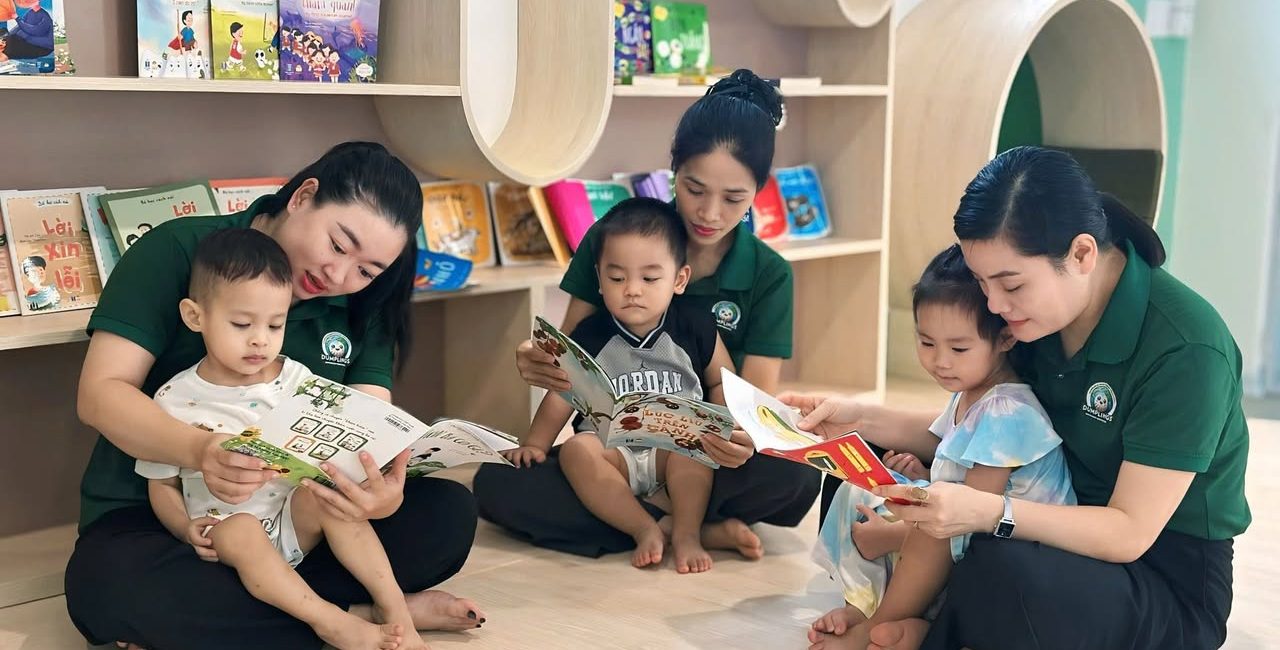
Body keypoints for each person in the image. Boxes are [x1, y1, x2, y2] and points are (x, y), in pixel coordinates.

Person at [784, 146, 1250, 650]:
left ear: (1081, 255)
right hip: (1044, 504)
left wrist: (989, 513)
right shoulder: (1033, 316)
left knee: (1003, 567)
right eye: (981, 282)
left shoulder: (1187, 349)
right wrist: (857, 419)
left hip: (1157, 572)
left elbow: (1127, 533)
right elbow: (984, 433)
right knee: (864, 462)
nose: (993, 304)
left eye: (1010, 284)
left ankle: (926, 627)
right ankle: (908, 615)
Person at [66, 142, 484, 650]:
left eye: (366, 271)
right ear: (303, 196)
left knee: (447, 515)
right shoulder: (180, 250)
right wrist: (202, 451)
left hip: (301, 517)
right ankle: (351, 616)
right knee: (108, 589)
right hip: (171, 521)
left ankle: (261, 620)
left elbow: (369, 422)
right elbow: (100, 394)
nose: (338, 276)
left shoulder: (364, 301)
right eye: (338, 245)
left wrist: (380, 494)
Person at [475, 68, 820, 559]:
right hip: (611, 449)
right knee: (498, 485)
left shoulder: (770, 273)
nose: (710, 213)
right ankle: (685, 526)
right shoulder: (615, 238)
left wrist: (738, 437)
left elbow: (751, 401)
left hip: (698, 455)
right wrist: (538, 358)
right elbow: (571, 358)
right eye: (694, 188)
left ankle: (647, 520)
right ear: (673, 170)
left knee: (795, 476)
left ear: (758, 190)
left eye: (734, 199)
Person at [138, 228, 432, 650]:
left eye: (276, 324)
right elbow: (162, 483)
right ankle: (331, 622)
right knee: (239, 531)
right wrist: (185, 529)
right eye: (242, 324)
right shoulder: (174, 398)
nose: (260, 339)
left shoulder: (297, 379)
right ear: (195, 316)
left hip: (293, 526)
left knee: (329, 499)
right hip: (227, 537)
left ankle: (396, 610)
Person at [807, 244, 1075, 650]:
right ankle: (870, 607)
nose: (940, 362)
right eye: (927, 343)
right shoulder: (970, 394)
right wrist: (921, 477)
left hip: (1007, 553)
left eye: (959, 348)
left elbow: (967, 515)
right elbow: (954, 471)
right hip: (967, 537)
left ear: (1005, 338)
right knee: (859, 491)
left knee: (925, 523)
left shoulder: (1007, 411)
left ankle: (884, 622)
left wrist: (893, 536)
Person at [501, 198, 737, 573]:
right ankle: (644, 528)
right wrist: (535, 445)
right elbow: (561, 393)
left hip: (672, 451)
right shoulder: (590, 334)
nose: (632, 290)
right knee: (575, 450)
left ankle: (687, 534)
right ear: (599, 279)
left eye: (649, 278)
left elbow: (722, 381)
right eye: (617, 278)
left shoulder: (695, 326)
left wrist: (723, 426)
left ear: (679, 279)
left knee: (696, 453)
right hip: (612, 454)